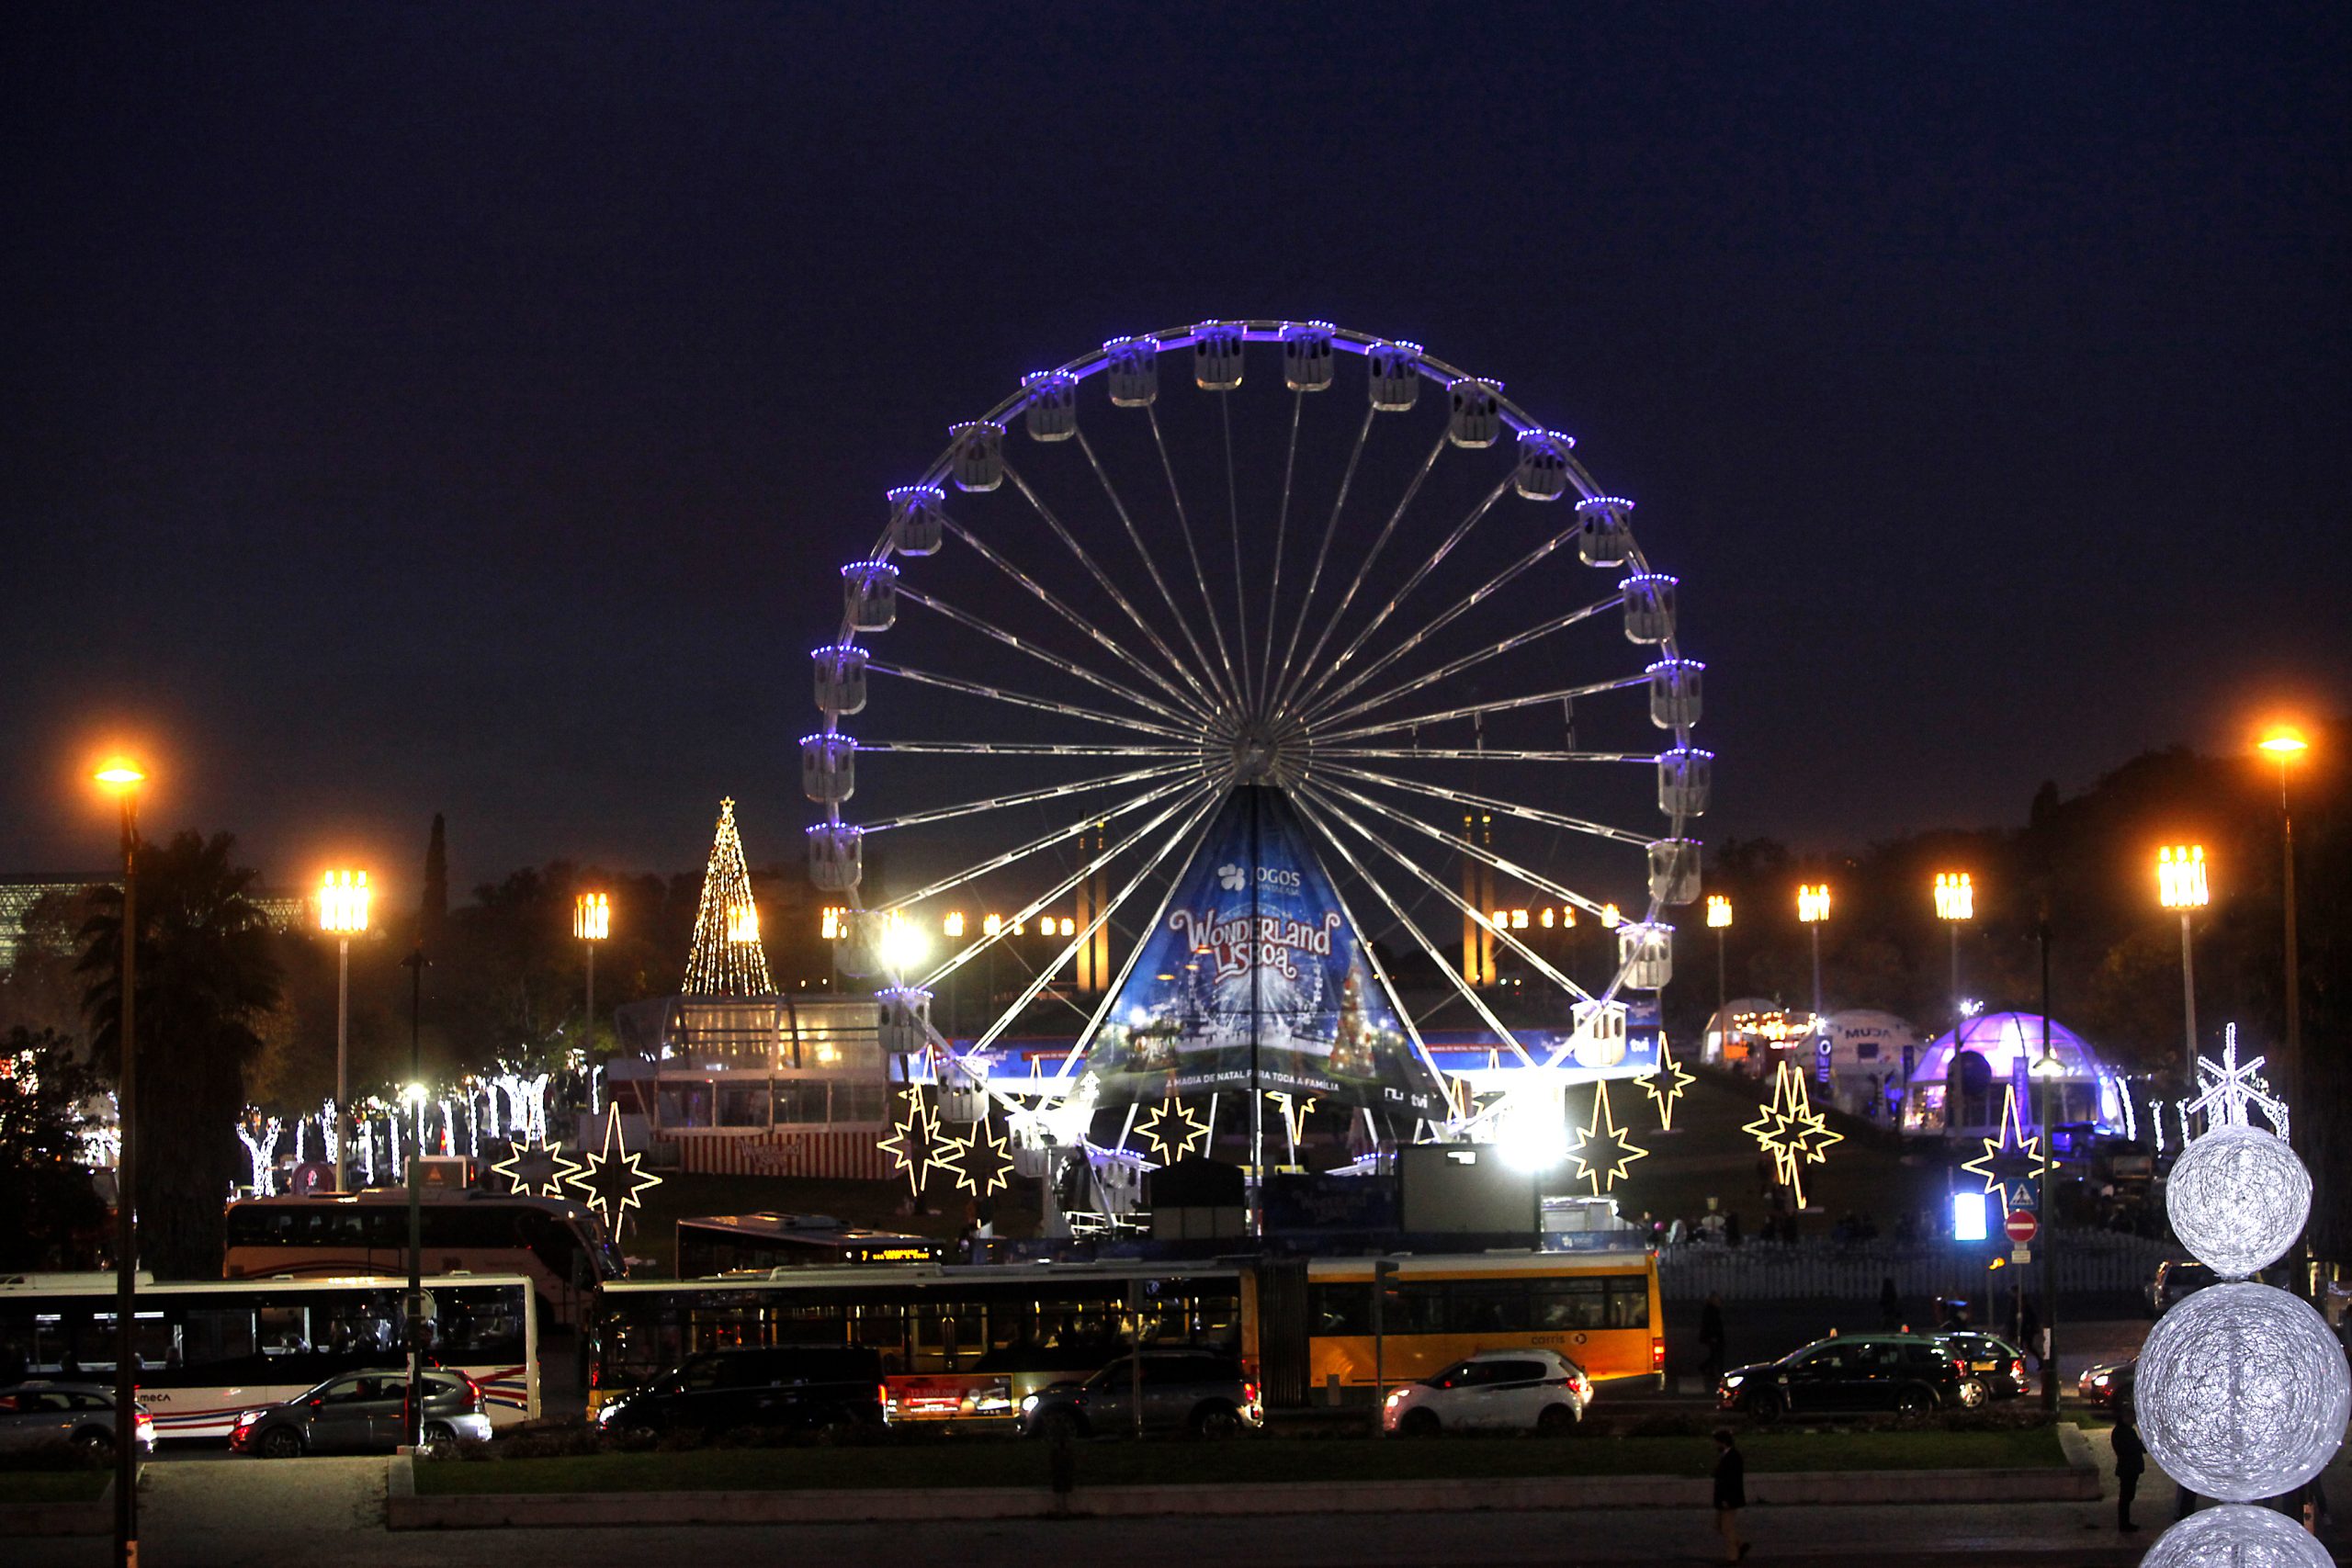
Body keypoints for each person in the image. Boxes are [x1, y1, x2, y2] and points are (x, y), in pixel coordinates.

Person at [1713, 1427, 1750, 1561]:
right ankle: (1740, 1545)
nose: (1715, 1445)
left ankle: (1733, 1557)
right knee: (1719, 1526)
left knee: (1727, 1528)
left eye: (1716, 1442)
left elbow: (1732, 1480)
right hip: (1724, 1498)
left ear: (1723, 1442)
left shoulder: (1733, 1457)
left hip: (1728, 1499)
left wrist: (1727, 1499)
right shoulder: (1727, 1455)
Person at [2111, 1408, 2146, 1532]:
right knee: (2126, 1497)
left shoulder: (2123, 1431)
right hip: (2128, 1468)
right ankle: (2124, 1524)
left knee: (2127, 1496)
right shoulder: (2124, 1432)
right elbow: (2131, 1448)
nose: (2134, 1420)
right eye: (2132, 1417)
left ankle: (2125, 1522)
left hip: (2128, 1467)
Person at [1700, 1292, 1726, 1383]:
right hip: (1714, 1336)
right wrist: (1713, 1336)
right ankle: (1710, 1369)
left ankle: (1709, 1370)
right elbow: (1712, 1325)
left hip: (1713, 1336)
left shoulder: (1710, 1310)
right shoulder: (1712, 1311)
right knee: (1717, 1354)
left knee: (1714, 1354)